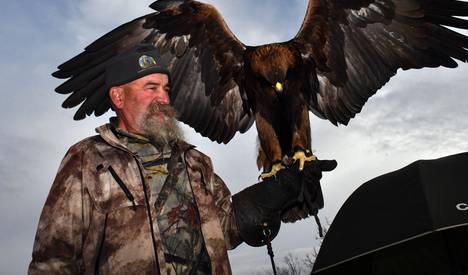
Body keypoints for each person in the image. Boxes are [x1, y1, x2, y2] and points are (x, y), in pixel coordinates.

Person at [28, 44, 336, 275]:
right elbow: (54, 261)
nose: (163, 97)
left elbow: (226, 226)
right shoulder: (88, 161)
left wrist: (276, 193)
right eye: (150, 88)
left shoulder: (194, 161)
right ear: (118, 97)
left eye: (166, 88)